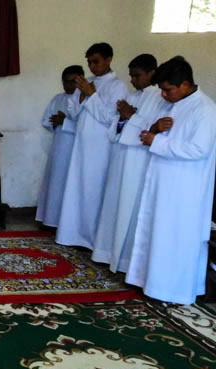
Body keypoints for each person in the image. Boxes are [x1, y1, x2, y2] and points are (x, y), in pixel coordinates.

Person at [127, 56, 216, 305]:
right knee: (158, 234)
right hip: (163, 181)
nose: (163, 95)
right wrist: (154, 131)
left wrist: (157, 141)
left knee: (175, 237)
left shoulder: (205, 110)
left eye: (168, 90)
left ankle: (172, 290)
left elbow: (198, 149)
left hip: (185, 188)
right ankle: (152, 283)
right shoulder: (173, 104)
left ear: (185, 84)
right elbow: (152, 134)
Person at [91, 54, 165, 272]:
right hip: (121, 157)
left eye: (137, 76)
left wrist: (131, 116)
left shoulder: (159, 98)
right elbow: (115, 127)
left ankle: (124, 261)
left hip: (138, 161)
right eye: (131, 76)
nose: (132, 80)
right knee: (114, 205)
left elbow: (152, 129)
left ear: (151, 73)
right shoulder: (133, 96)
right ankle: (107, 253)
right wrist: (123, 118)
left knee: (128, 209)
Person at [56, 42, 128, 249]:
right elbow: (74, 114)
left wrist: (91, 95)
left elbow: (109, 118)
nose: (92, 66)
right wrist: (81, 95)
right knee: (77, 190)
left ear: (108, 59)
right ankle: (73, 235)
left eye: (95, 61)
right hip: (81, 146)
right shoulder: (88, 82)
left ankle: (92, 240)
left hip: (101, 149)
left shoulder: (118, 86)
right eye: (89, 62)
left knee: (93, 192)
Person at [35, 65, 83, 227]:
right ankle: (51, 220)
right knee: (55, 183)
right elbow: (45, 120)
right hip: (59, 145)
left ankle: (68, 224)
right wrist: (54, 122)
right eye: (65, 82)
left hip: (75, 148)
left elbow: (86, 127)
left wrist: (65, 122)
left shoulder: (85, 99)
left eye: (73, 82)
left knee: (71, 185)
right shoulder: (57, 99)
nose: (69, 85)